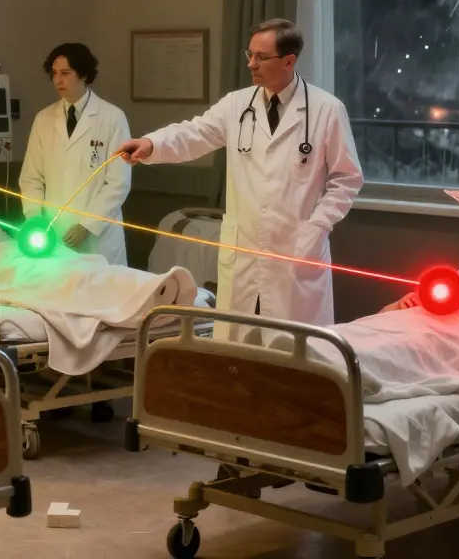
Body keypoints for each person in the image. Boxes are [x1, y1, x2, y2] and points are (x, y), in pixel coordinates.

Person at [117, 19, 363, 337]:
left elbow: (348, 178)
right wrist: (152, 144)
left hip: (296, 250)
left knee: (296, 353)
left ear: (289, 61)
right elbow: (194, 133)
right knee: (238, 348)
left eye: (262, 57)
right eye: (250, 54)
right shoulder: (237, 105)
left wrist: (317, 226)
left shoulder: (326, 110)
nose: (251, 63)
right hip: (244, 248)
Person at [19, 42, 132, 265]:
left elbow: (118, 183)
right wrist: (35, 218)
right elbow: (31, 177)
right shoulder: (44, 119)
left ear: (84, 75)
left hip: (98, 241)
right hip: (55, 235)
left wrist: (87, 226)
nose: (58, 80)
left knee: (101, 295)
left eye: (65, 73)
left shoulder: (112, 118)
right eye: (54, 74)